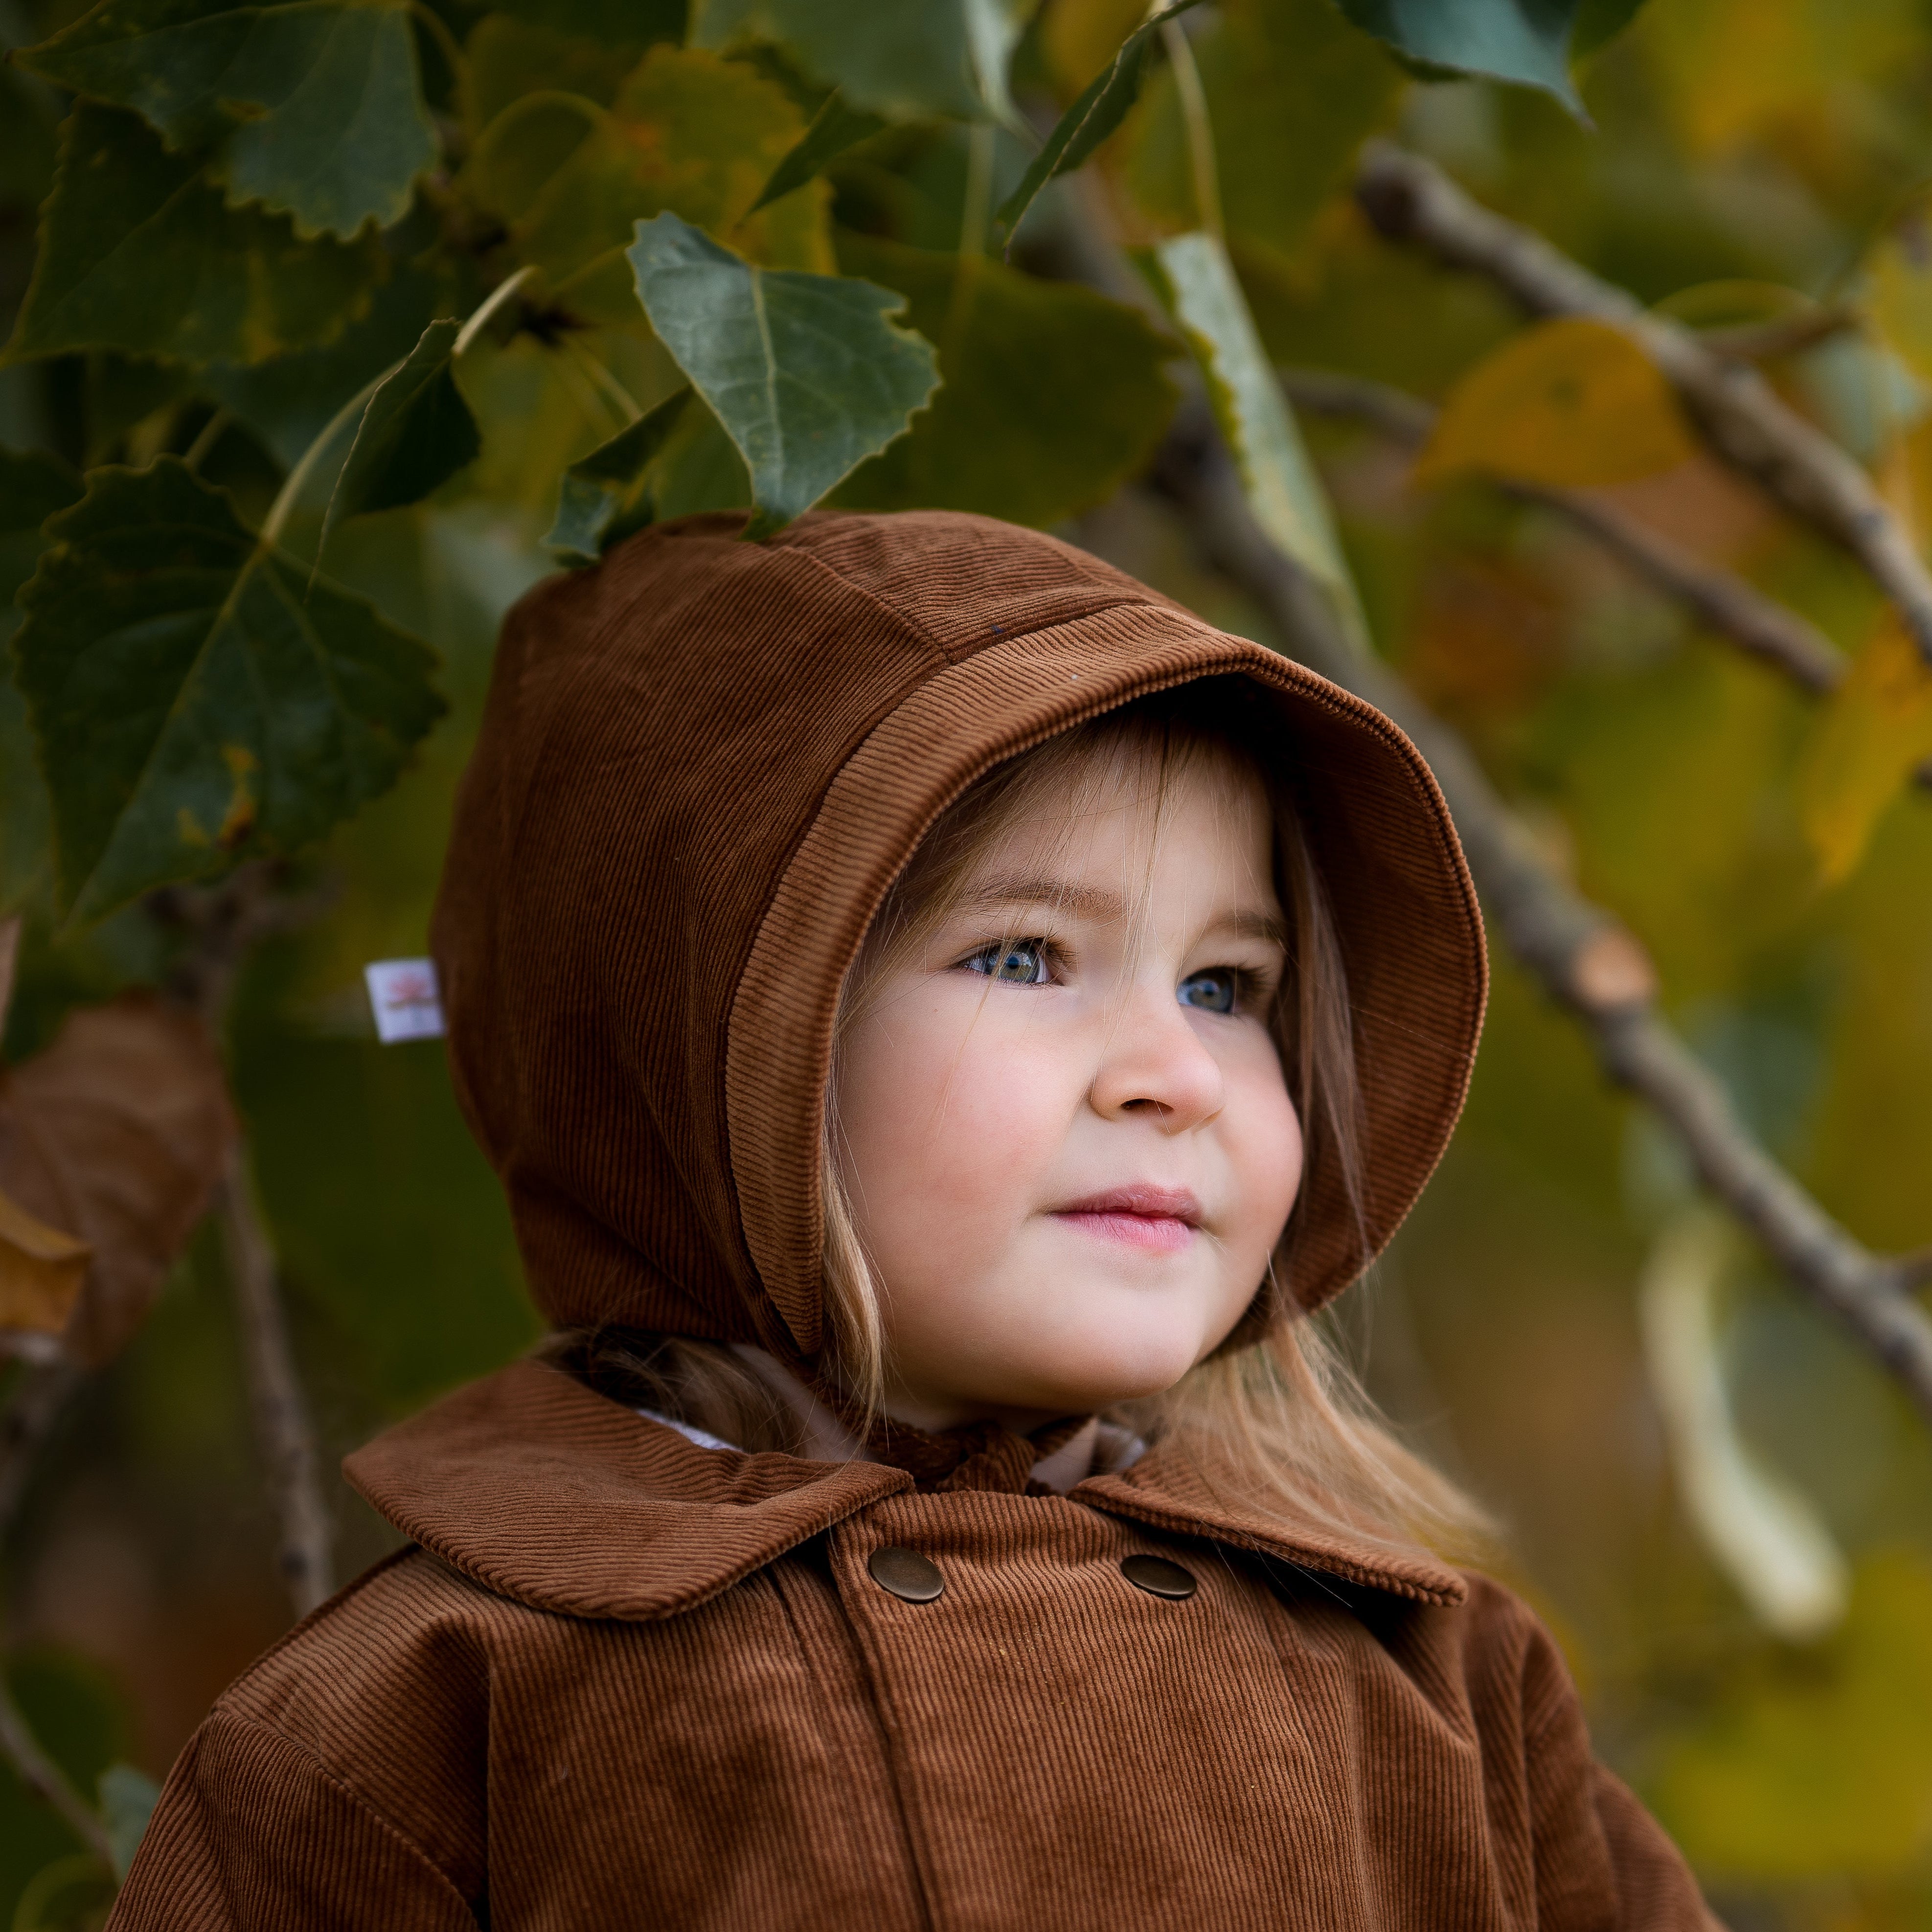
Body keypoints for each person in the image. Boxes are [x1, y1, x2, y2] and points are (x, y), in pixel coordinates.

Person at [109, 510, 1718, 1930]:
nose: (1179, 1075)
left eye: (1230, 986)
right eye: (1023, 956)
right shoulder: (437, 1711)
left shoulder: (1437, 1683)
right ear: (695, 1044)